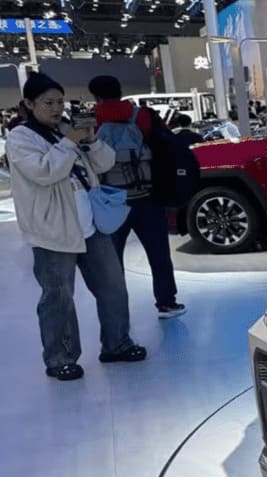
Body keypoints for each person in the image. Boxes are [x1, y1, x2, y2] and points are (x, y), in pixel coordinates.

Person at [8, 72, 146, 382]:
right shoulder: (20, 138)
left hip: (91, 226)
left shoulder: (64, 131)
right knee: (58, 298)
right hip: (52, 231)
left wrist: (91, 140)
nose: (56, 108)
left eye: (60, 102)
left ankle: (117, 344)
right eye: (48, 103)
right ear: (29, 104)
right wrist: (70, 142)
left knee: (113, 287)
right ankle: (60, 358)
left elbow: (105, 163)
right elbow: (44, 172)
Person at [88, 75, 186, 319]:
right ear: (121, 91)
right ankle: (167, 303)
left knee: (112, 262)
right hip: (147, 196)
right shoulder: (142, 115)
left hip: (109, 201)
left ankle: (118, 311)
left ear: (96, 96)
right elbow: (167, 146)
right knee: (159, 255)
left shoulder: (90, 121)